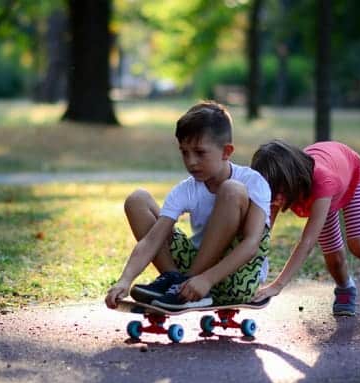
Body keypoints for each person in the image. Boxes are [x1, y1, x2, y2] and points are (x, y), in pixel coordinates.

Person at [104, 101, 272, 311]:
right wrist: (125, 279)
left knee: (231, 190)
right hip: (196, 270)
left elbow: (251, 244)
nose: (191, 162)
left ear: (226, 151)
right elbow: (152, 240)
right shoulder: (187, 189)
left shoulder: (253, 182)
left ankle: (186, 286)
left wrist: (206, 279)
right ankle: (176, 282)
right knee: (137, 200)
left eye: (200, 153)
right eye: (184, 152)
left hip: (236, 277)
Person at [250, 139, 360, 318]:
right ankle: (345, 287)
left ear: (292, 178)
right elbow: (262, 231)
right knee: (333, 256)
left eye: (279, 192)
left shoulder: (322, 181)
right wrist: (251, 267)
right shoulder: (278, 186)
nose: (275, 199)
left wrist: (277, 285)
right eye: (270, 192)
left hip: (348, 173)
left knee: (359, 245)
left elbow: (307, 243)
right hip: (319, 186)